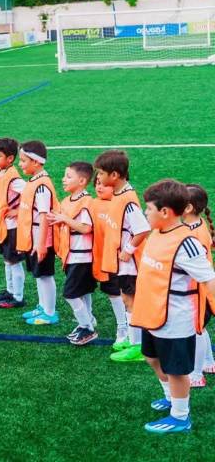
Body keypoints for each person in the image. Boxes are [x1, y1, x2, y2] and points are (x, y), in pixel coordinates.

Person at [132, 179, 215, 434]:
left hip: (176, 318)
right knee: (151, 357)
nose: (145, 212)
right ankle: (171, 397)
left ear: (165, 212)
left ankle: (180, 416)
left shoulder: (187, 245)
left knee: (177, 370)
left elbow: (209, 280)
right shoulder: (157, 233)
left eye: (149, 209)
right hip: (152, 312)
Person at [95, 149, 151, 363]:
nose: (98, 178)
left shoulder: (127, 200)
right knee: (128, 299)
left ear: (115, 175)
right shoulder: (119, 194)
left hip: (130, 264)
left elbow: (143, 229)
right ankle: (132, 338)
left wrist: (127, 251)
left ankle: (137, 346)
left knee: (131, 301)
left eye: (101, 173)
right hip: (122, 263)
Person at [48, 162, 98, 345]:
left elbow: (86, 228)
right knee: (83, 291)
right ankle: (88, 319)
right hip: (71, 255)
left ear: (82, 181)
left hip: (82, 257)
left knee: (70, 294)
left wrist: (64, 219)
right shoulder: (68, 200)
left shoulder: (86, 202)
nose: (63, 179)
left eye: (68, 176)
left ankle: (87, 327)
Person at [16, 140, 59, 326]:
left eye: (23, 160)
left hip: (41, 239)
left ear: (36, 162)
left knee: (45, 275)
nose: (20, 164)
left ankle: (50, 312)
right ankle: (43, 306)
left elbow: (44, 217)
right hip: (33, 237)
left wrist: (41, 244)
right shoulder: (34, 181)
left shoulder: (42, 186)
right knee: (38, 275)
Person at [91, 176, 130, 349]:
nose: (99, 187)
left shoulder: (121, 204)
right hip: (102, 259)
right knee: (112, 293)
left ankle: (124, 329)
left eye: (104, 185)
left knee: (123, 295)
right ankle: (124, 327)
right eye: (97, 184)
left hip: (119, 260)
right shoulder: (92, 203)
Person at [0, 137, 27, 309]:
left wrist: (18, 211)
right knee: (7, 260)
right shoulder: (1, 173)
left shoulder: (14, 178)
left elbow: (32, 195)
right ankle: (10, 291)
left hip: (14, 228)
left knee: (14, 261)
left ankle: (18, 297)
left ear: (10, 159)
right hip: (3, 225)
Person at [183, 184, 215, 388]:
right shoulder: (197, 225)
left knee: (196, 330)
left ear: (188, 208)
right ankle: (209, 362)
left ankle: (195, 374)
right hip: (200, 288)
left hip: (197, 289)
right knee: (200, 328)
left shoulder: (193, 233)